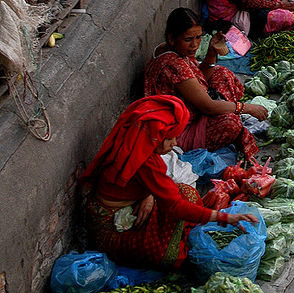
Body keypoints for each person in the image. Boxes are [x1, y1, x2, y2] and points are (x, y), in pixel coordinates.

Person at [81, 96, 258, 268]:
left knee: (184, 192)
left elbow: (145, 182)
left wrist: (149, 194)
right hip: (111, 230)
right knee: (169, 254)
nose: (174, 143)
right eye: (170, 138)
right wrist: (224, 218)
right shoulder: (146, 163)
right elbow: (174, 206)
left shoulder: (132, 139)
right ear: (155, 137)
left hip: (127, 205)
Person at [144, 9, 267, 158]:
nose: (194, 45)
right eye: (188, 39)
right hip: (178, 130)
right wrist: (246, 108)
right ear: (172, 38)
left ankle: (227, 108)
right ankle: (226, 111)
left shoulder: (174, 49)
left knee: (221, 73)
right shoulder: (173, 64)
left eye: (198, 37)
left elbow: (199, 75)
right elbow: (208, 106)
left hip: (191, 104)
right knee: (231, 123)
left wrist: (211, 53)